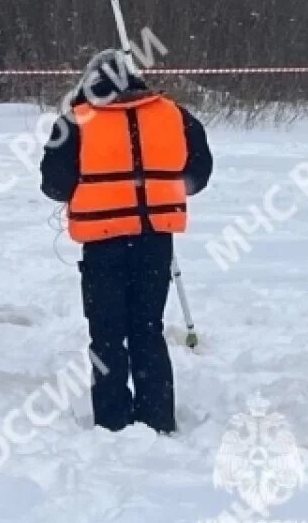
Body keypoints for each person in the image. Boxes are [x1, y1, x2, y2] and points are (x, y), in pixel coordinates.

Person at [40, 49, 213, 434]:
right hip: (155, 240)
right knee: (147, 329)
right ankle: (157, 417)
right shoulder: (176, 115)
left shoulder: (75, 121)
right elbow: (199, 174)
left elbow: (54, 185)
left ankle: (113, 419)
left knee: (106, 334)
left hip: (102, 244)